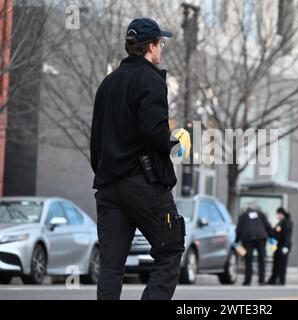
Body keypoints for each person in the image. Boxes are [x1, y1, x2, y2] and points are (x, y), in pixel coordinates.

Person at [90, 18, 188, 300]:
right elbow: (154, 134)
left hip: (108, 187)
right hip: (143, 183)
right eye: (161, 44)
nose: (162, 50)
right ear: (151, 47)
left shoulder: (107, 84)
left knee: (111, 266)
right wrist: (175, 140)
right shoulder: (150, 80)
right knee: (169, 252)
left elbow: (96, 141)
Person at [236, 206, 272, 286]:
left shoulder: (243, 216)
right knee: (261, 259)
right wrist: (271, 236)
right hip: (261, 238)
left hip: (248, 238)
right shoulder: (260, 214)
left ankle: (247, 281)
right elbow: (267, 226)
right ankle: (262, 280)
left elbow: (238, 229)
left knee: (248, 259)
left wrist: (236, 241)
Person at [268, 207, 293, 286]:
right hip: (277, 245)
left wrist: (285, 246)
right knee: (276, 263)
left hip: (283, 245)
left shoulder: (287, 222)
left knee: (282, 264)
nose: (277, 215)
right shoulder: (281, 222)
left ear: (282, 214)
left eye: (278, 214)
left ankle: (281, 280)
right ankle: (273, 279)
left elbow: (287, 236)